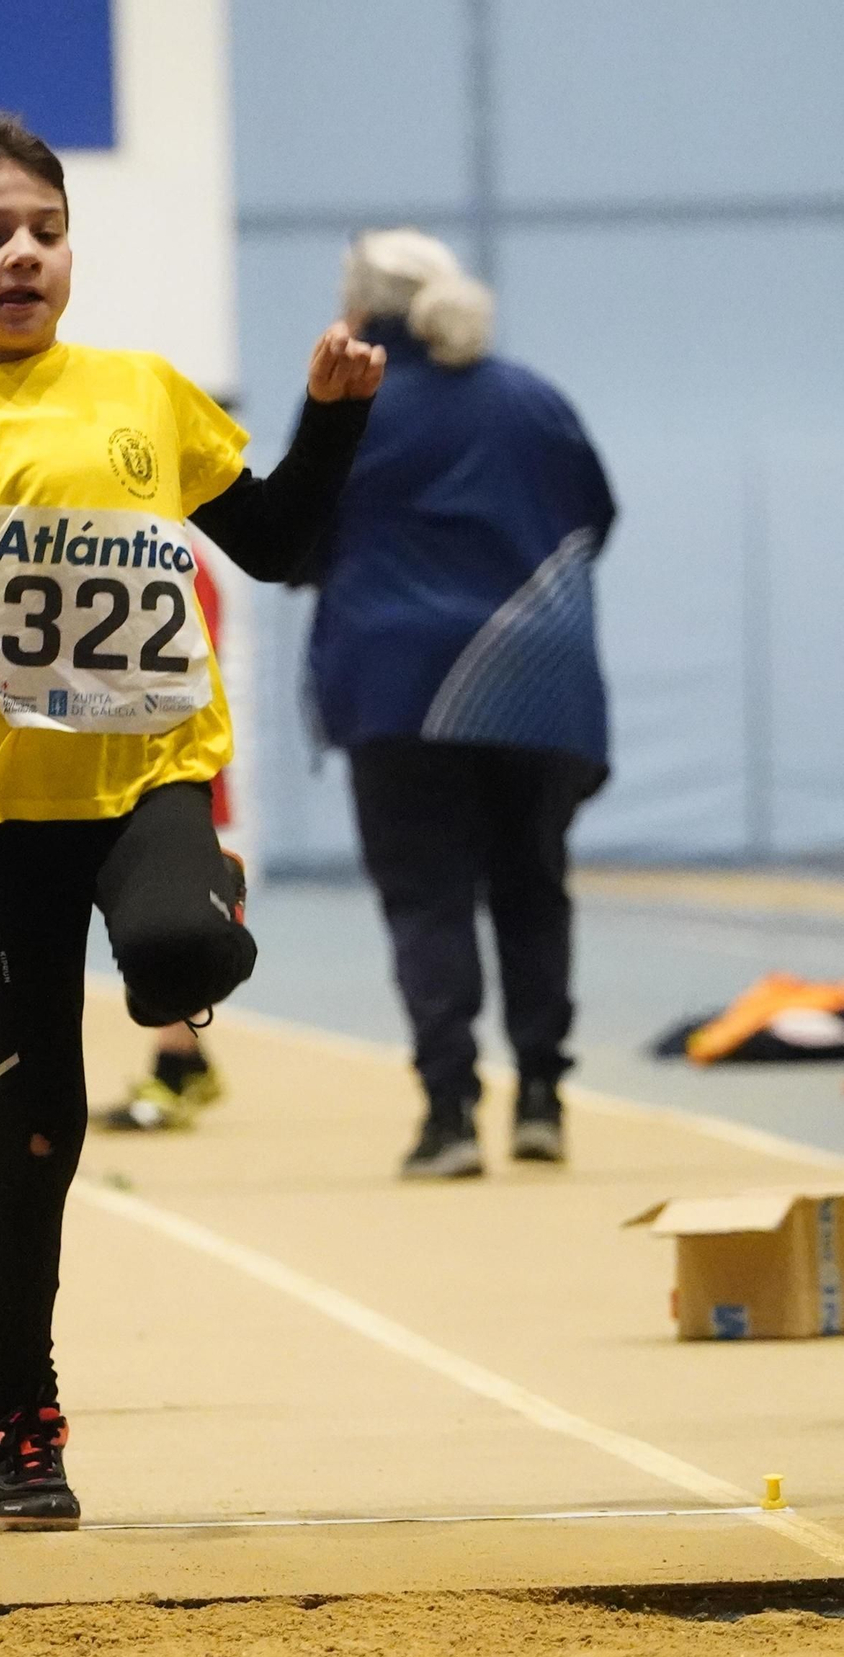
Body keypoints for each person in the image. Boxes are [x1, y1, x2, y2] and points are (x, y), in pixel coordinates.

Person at [0, 112, 382, 1529]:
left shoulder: (141, 390)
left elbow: (271, 543)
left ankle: (195, 905)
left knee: (182, 959)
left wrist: (333, 423)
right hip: (10, 812)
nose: (23, 254)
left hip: (150, 774)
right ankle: (16, 1414)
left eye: (44, 228)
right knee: (39, 1123)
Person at [299, 229, 616, 1180]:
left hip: (398, 683)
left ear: (361, 308)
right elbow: (595, 517)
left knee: (428, 901)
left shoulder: (353, 407)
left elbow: (298, 539)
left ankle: (447, 1116)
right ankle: (544, 1101)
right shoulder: (533, 398)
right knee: (533, 887)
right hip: (539, 685)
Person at [94, 540, 229, 1132]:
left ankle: (176, 1063)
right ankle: (187, 1059)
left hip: (168, 763)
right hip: (120, 761)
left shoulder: (172, 560)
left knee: (164, 918)